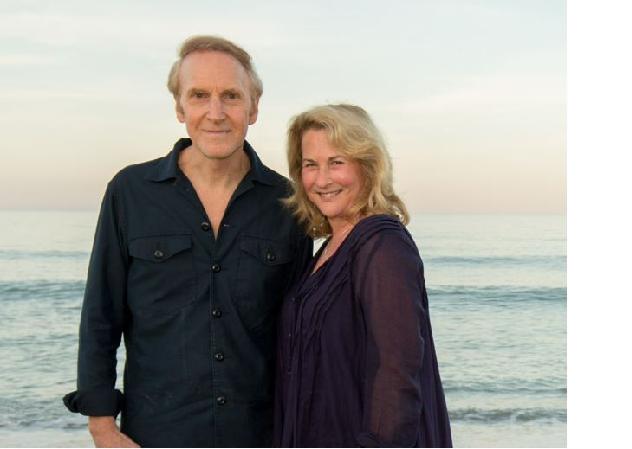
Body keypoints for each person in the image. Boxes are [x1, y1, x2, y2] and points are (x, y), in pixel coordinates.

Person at [62, 35, 311, 447]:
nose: (216, 113)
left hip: (259, 435)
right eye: (199, 96)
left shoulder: (287, 203)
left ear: (254, 107)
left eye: (231, 96)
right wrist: (102, 427)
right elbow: (101, 315)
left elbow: (302, 331)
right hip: (154, 435)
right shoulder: (130, 192)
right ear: (180, 108)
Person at [273, 104, 452, 447]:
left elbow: (396, 376)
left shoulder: (381, 245)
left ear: (367, 165)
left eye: (336, 162)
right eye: (311, 165)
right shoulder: (326, 251)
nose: (322, 179)